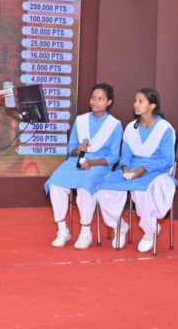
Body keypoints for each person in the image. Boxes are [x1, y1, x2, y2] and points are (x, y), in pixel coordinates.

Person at [96, 88, 176, 252]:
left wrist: (142, 169)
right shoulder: (131, 128)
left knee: (141, 189)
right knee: (104, 188)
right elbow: (125, 155)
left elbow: (167, 160)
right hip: (132, 168)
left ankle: (150, 231)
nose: (135, 105)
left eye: (140, 101)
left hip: (155, 170)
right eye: (135, 101)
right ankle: (119, 226)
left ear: (152, 105)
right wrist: (126, 168)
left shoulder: (164, 129)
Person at [45, 83, 122, 249]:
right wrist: (77, 150)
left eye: (100, 99)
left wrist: (92, 163)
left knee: (85, 186)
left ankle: (86, 232)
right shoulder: (80, 120)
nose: (95, 102)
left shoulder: (115, 125)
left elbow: (113, 157)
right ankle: (62, 230)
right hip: (77, 161)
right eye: (93, 98)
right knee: (55, 182)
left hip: (100, 165)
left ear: (109, 102)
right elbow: (70, 149)